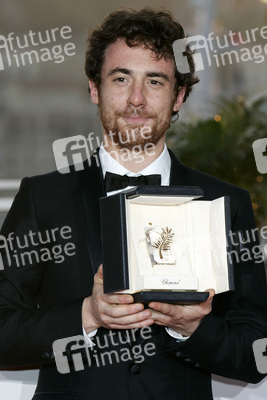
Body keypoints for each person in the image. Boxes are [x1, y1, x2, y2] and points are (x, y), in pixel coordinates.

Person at [0, 8, 267, 400]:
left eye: (155, 81)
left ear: (179, 97)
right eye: (121, 78)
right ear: (95, 88)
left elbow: (255, 355)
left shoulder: (227, 203)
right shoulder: (43, 199)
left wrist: (191, 327)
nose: (136, 99)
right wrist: (87, 315)